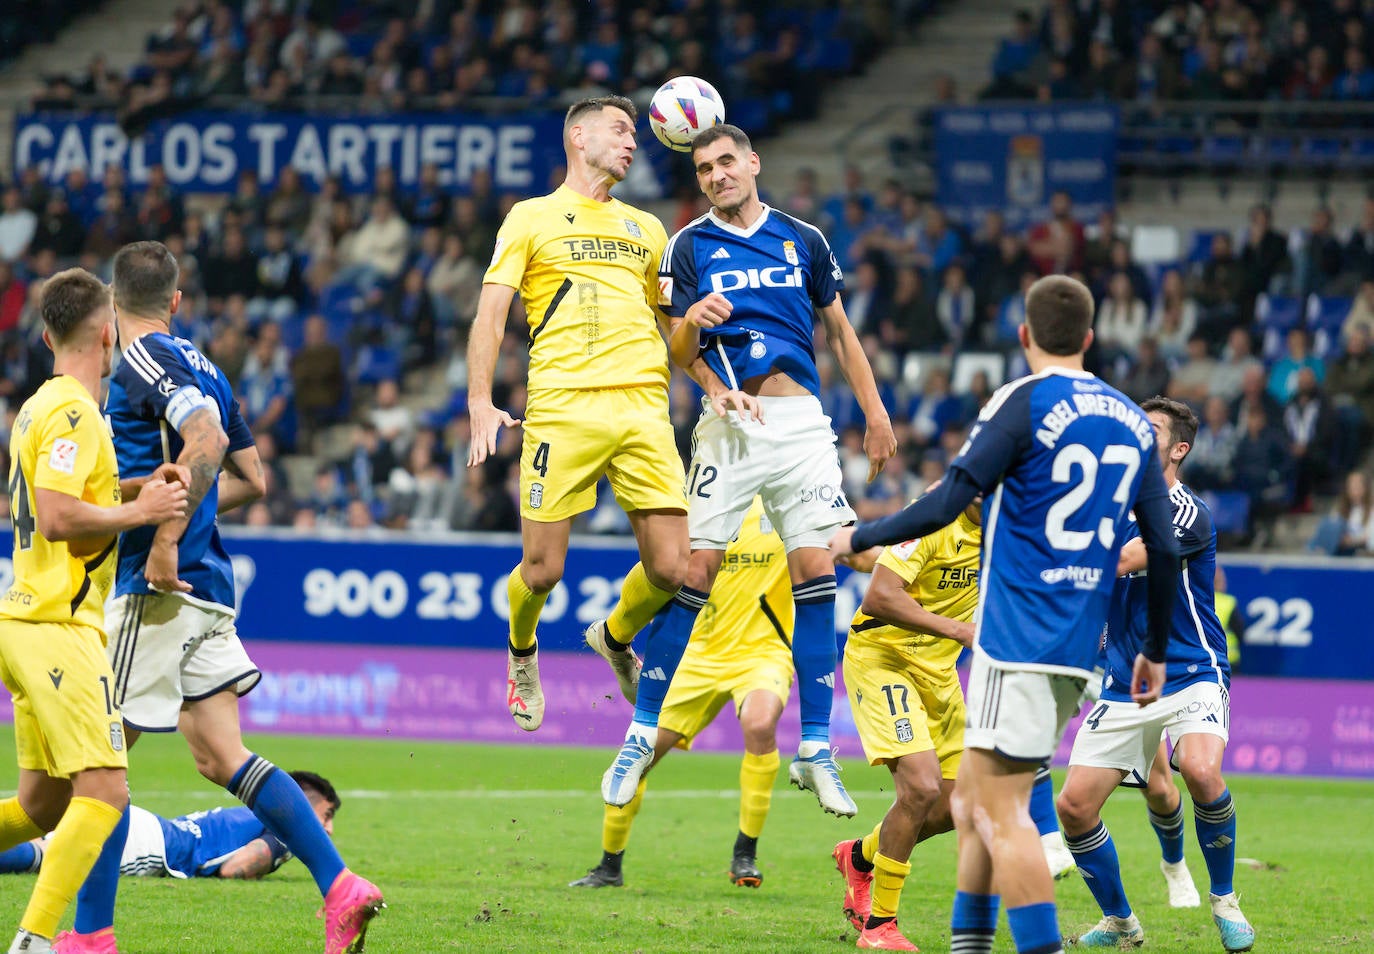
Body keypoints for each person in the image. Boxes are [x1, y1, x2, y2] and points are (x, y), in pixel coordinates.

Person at [829, 274, 1179, 954]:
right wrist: (1155, 650)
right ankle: (924, 921)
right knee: (971, 806)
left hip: (1013, 646)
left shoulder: (1020, 404)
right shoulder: (1133, 421)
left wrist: (858, 537)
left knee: (1001, 816)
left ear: (1023, 338)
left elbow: (945, 496)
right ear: (1090, 338)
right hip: (1078, 653)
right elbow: (1162, 546)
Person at [61, 242, 382, 954]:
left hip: (158, 583)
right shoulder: (206, 364)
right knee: (219, 752)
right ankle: (339, 886)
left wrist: (167, 532)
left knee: (99, 758)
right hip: (211, 587)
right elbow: (252, 480)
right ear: (177, 302)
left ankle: (90, 937)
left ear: (115, 308)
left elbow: (201, 440)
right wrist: (182, 511)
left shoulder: (143, 362)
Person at [604, 123, 895, 816]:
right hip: (731, 426)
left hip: (801, 428)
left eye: (726, 162)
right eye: (703, 168)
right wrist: (696, 335)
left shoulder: (805, 240)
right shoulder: (688, 245)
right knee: (695, 570)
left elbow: (841, 332)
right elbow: (676, 346)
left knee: (818, 568)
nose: (715, 175)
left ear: (753, 162)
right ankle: (641, 733)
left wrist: (875, 411)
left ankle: (818, 749)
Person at [467, 96, 743, 737]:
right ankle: (521, 649)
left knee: (677, 570)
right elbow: (491, 312)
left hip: (644, 410)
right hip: (563, 409)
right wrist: (480, 401)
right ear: (577, 135)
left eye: (634, 134)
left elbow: (672, 325)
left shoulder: (648, 229)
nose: (631, 142)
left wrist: (709, 383)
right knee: (543, 572)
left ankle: (614, 635)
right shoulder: (530, 218)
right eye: (619, 130)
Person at [0, 268, 188, 954]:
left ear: (47, 333)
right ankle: (35, 942)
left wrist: (135, 486)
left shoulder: (39, 407)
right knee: (106, 790)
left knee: (41, 807)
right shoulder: (76, 411)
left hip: (25, 621)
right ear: (107, 334)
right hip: (58, 627)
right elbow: (56, 518)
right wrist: (140, 510)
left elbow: (69, 494)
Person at [1056, 396, 1253, 952]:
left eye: (1152, 429)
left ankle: (1224, 899)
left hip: (1191, 670)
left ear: (1178, 449)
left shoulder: (1187, 511)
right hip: (1124, 680)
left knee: (1197, 769)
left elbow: (1117, 561)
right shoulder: (1106, 504)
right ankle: (1121, 921)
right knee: (1073, 808)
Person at [569, 499, 792, 889]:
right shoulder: (699, 506)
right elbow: (660, 569)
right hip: (695, 655)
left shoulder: (782, 501)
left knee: (760, 724)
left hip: (761, 653)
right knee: (642, 756)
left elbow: (840, 539)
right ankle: (608, 866)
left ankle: (745, 854)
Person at [0, 772, 340, 882]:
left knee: (38, 828)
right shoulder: (281, 830)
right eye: (324, 816)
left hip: (151, 827)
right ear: (302, 807)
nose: (328, 829)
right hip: (156, 845)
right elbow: (235, 869)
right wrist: (292, 845)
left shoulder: (250, 815)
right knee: (48, 856)